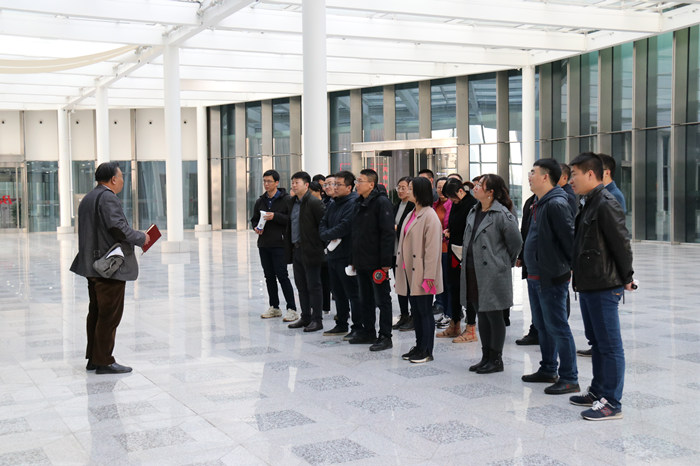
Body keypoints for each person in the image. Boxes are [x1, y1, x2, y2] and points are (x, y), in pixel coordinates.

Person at [568, 152, 634, 421]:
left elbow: (621, 242)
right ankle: (598, 391)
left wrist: (627, 277)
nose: (571, 180)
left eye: (574, 174)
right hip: (589, 282)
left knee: (609, 345)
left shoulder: (606, 202)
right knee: (597, 342)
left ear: (590, 174)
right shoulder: (588, 202)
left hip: (605, 283)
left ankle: (612, 402)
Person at [70, 162, 150, 374]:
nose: (122, 180)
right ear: (113, 179)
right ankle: (104, 361)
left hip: (92, 265)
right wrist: (142, 237)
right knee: (109, 315)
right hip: (109, 267)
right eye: (121, 176)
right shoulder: (108, 198)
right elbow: (118, 227)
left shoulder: (89, 198)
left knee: (96, 312)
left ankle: (94, 358)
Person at [521, 159, 579, 395]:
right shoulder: (538, 202)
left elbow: (569, 240)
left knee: (558, 327)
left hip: (551, 277)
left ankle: (569, 377)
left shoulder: (556, 203)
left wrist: (565, 270)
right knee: (543, 325)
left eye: (533, 172)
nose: (529, 176)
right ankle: (548, 368)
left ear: (545, 177)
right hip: (536, 275)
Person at [462, 174, 522, 374]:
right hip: (473, 269)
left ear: (491, 192)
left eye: (480, 185)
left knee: (494, 315)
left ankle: (496, 359)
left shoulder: (502, 214)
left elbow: (516, 243)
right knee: (481, 313)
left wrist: (502, 263)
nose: (475, 187)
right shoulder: (474, 210)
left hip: (493, 272)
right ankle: (485, 356)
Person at [395, 177, 443, 363]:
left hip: (423, 273)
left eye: (410, 188)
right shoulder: (412, 213)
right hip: (410, 272)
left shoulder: (430, 216)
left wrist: (429, 276)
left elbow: (432, 251)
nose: (407, 191)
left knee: (424, 312)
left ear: (419, 191)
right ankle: (418, 346)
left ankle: (427, 350)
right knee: (416, 311)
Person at [350, 168, 395, 351]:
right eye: (356, 181)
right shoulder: (358, 202)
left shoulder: (382, 202)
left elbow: (387, 233)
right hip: (361, 260)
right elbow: (355, 233)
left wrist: (385, 263)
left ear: (371, 184)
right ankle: (368, 331)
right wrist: (353, 259)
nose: (357, 184)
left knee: (382, 299)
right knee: (365, 298)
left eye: (360, 181)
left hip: (377, 262)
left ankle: (385, 336)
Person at [251, 169, 298, 322]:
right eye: (264, 181)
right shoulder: (260, 201)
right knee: (269, 276)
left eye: (269, 181)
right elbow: (254, 219)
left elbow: (291, 219)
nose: (266, 184)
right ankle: (274, 307)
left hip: (280, 244)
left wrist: (275, 216)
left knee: (282, 275)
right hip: (264, 243)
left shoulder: (287, 200)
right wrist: (256, 227)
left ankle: (292, 308)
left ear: (276, 182)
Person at [319, 171, 360, 338]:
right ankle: (341, 323)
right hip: (333, 255)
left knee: (353, 294)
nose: (334, 187)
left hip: (347, 255)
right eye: (333, 184)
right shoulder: (333, 203)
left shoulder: (353, 203)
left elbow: (345, 226)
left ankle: (357, 326)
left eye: (338, 184)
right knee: (338, 293)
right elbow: (323, 222)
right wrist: (325, 234)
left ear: (349, 187)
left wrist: (327, 234)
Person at [286, 171, 326, 332]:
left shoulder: (314, 203)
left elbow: (323, 226)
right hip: (296, 249)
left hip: (311, 250)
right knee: (301, 285)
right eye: (293, 182)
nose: (294, 185)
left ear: (306, 185)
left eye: (297, 182)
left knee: (314, 286)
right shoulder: (292, 202)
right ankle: (305, 317)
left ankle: (317, 319)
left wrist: (319, 246)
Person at [439, 178, 477, 342]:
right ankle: (454, 324)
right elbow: (455, 224)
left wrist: (453, 233)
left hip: (467, 254)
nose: (451, 201)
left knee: (468, 290)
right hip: (454, 251)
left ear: (461, 191)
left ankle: (471, 328)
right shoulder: (456, 203)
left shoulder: (472, 205)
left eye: (452, 197)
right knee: (453, 287)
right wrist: (449, 231)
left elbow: (470, 229)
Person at [392, 176, 415, 331]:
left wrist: (396, 228)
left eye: (404, 188)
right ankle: (404, 314)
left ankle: (413, 316)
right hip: (395, 251)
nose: (400, 191)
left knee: (410, 286)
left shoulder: (413, 207)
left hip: (407, 252)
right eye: (398, 187)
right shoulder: (396, 206)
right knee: (400, 285)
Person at [433, 177, 452, 327]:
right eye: (438, 187)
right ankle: (444, 311)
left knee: (448, 283)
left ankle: (450, 314)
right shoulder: (435, 205)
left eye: (443, 187)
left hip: (447, 249)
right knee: (440, 283)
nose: (441, 190)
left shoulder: (451, 204)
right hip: (435, 249)